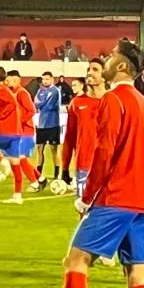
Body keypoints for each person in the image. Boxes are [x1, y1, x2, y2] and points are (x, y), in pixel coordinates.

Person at [38, 39, 144, 288]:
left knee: (75, 260)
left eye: (112, 56)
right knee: (137, 275)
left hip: (116, 196)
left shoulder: (113, 99)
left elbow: (104, 153)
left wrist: (87, 196)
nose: (106, 59)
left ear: (121, 67)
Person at [57, 63, 105, 198]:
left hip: (109, 167)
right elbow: (69, 138)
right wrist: (65, 168)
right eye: (88, 69)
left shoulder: (113, 101)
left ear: (105, 76)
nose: (90, 72)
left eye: (95, 70)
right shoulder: (77, 103)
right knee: (84, 211)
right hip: (84, 165)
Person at [7, 69, 44, 194]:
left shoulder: (22, 93)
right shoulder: (12, 93)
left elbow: (32, 110)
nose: (7, 82)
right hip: (19, 131)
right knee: (21, 158)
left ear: (17, 80)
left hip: (26, 130)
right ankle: (40, 178)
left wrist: (20, 121)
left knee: (20, 158)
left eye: (9, 80)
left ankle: (34, 183)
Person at [33, 71, 63, 188]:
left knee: (54, 149)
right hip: (41, 125)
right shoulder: (40, 91)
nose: (45, 81)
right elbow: (36, 104)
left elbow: (52, 106)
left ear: (52, 79)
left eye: (47, 79)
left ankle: (57, 175)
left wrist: (43, 103)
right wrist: (43, 104)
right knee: (39, 149)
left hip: (53, 124)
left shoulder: (56, 91)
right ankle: (39, 175)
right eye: (43, 79)